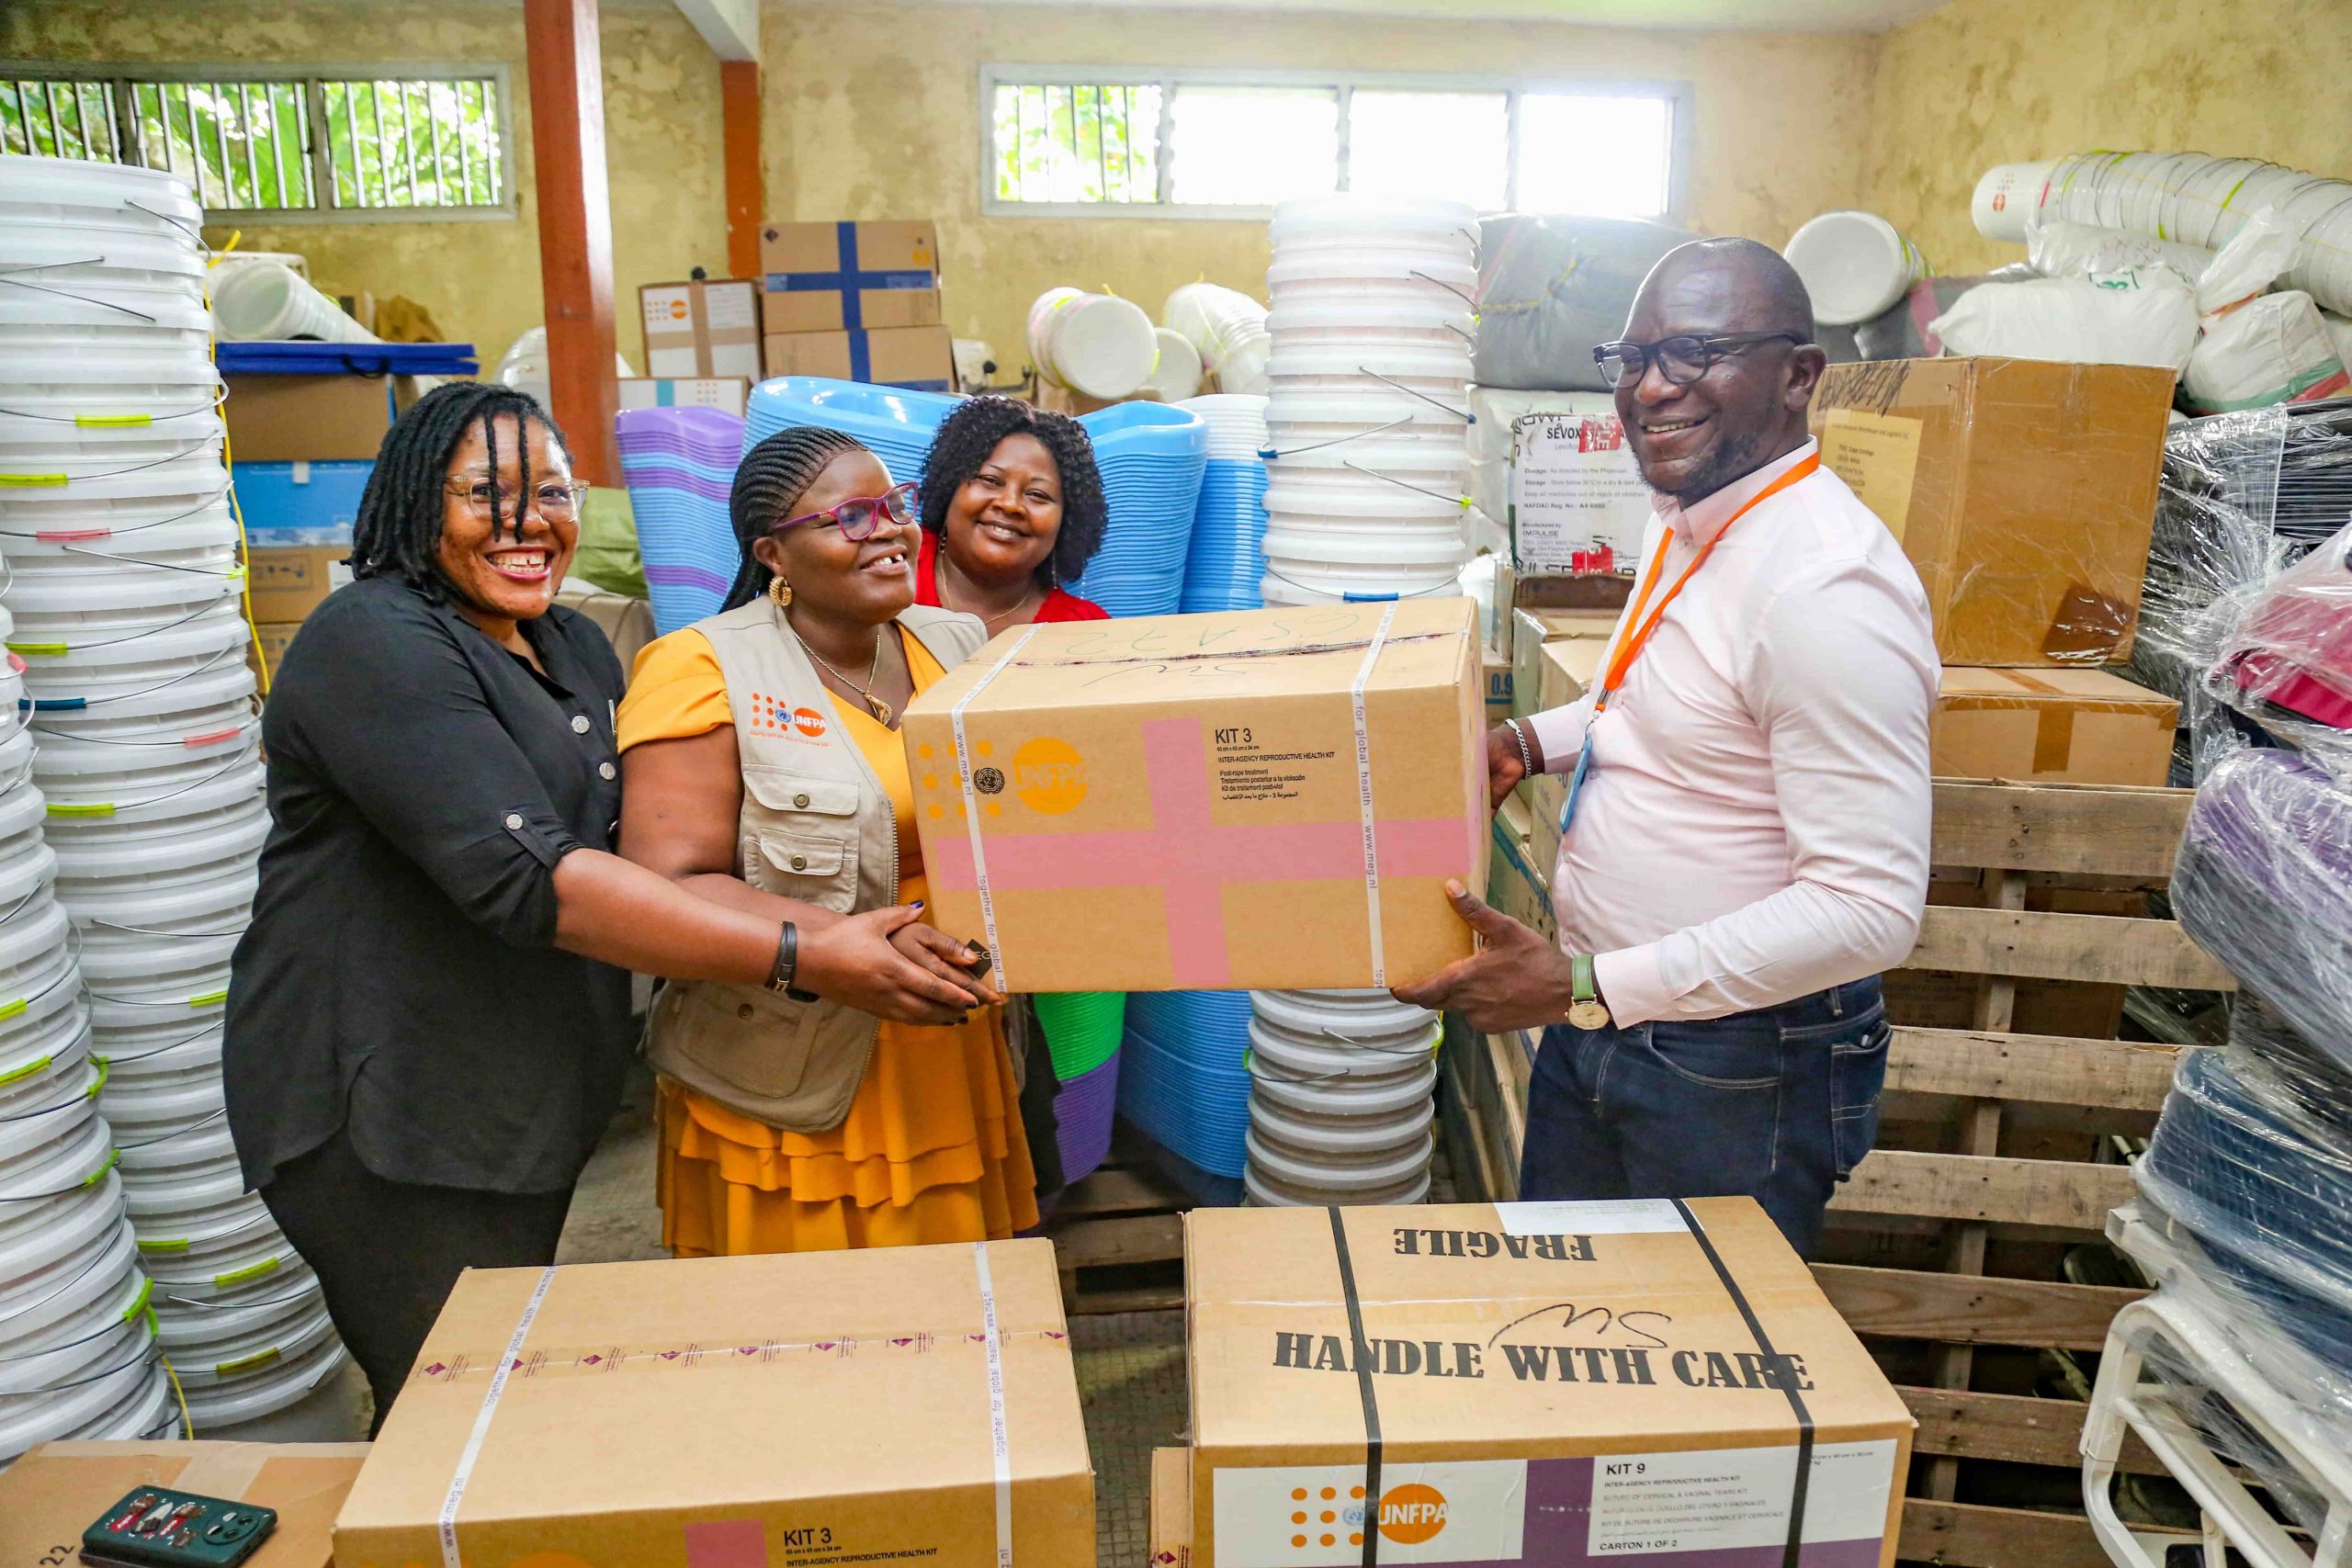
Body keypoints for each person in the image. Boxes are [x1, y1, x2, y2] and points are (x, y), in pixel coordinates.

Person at [224, 386, 989, 1429]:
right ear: (410, 504)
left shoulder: (570, 645)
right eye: (485, 494)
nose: (528, 521)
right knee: (448, 1404)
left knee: (501, 1377)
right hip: (389, 1096)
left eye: (551, 490)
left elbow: (645, 842)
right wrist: (806, 952)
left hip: (520, 1088)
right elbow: (533, 877)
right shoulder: (372, 642)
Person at [1396, 238, 1938, 1258]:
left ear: (1797, 376)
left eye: (1695, 353)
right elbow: (1643, 706)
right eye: (1632, 358)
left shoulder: (1823, 592)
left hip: (1734, 1068)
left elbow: (1868, 911)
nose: (1650, 388)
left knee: (1692, 1374)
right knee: (1568, 1322)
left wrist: (1587, 986)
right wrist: (1525, 740)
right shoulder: (1687, 514)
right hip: (1602, 1018)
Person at [618, 426, 1039, 1254]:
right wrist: (843, 946)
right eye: (849, 516)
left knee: (949, 1309)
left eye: (893, 506)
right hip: (790, 1057)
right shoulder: (702, 668)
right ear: (773, 552)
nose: (886, 529)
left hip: (943, 1044)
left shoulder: (953, 643)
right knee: (808, 1328)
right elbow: (669, 885)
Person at [915, 394, 1110, 628]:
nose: (1010, 504)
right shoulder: (890, 565)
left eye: (1037, 494)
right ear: (948, 488)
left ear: (1066, 523)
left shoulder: (1087, 631)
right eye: (990, 480)